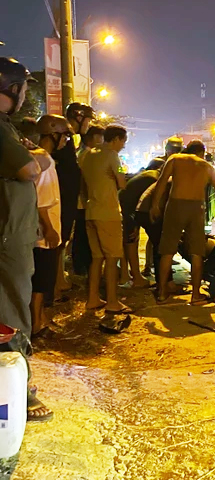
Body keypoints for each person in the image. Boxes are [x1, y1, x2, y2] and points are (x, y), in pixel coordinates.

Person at [0, 57, 52, 422]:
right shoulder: (1, 128)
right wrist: (41, 159)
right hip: (7, 239)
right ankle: (21, 392)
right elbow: (28, 169)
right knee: (13, 310)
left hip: (9, 233)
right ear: (12, 89)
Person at [151, 140, 215, 305]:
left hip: (175, 205)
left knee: (167, 251)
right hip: (196, 208)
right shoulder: (206, 166)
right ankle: (196, 295)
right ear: (202, 152)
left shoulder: (175, 159)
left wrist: (154, 205)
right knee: (197, 252)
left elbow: (162, 182)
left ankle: (162, 293)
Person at [79, 125, 131, 314]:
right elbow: (122, 183)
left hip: (90, 211)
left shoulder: (87, 155)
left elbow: (83, 185)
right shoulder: (112, 155)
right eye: (123, 142)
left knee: (96, 257)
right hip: (108, 213)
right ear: (116, 139)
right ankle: (112, 302)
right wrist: (120, 175)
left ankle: (92, 298)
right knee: (112, 258)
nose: (123, 146)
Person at [31, 115, 71, 337]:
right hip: (43, 232)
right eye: (64, 135)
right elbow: (41, 201)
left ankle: (42, 319)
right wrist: (50, 229)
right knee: (41, 282)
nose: (66, 140)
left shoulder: (45, 159)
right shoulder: (44, 162)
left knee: (44, 280)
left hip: (45, 229)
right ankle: (37, 324)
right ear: (52, 134)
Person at [53, 102, 94, 293]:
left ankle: (59, 279)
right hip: (60, 199)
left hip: (66, 198)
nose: (88, 125)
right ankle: (56, 282)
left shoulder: (70, 141)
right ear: (79, 117)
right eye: (87, 120)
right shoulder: (64, 140)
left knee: (63, 240)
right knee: (59, 241)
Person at [70, 124, 104, 280]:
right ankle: (82, 267)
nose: (102, 140)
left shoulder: (82, 152)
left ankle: (80, 266)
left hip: (82, 201)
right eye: (100, 136)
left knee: (81, 235)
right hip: (84, 202)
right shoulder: (88, 154)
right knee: (83, 236)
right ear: (94, 137)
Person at [119, 166, 160, 288]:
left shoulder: (149, 175)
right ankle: (136, 277)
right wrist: (136, 224)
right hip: (127, 209)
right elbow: (143, 203)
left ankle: (125, 274)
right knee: (131, 240)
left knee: (126, 241)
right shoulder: (155, 180)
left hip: (123, 205)